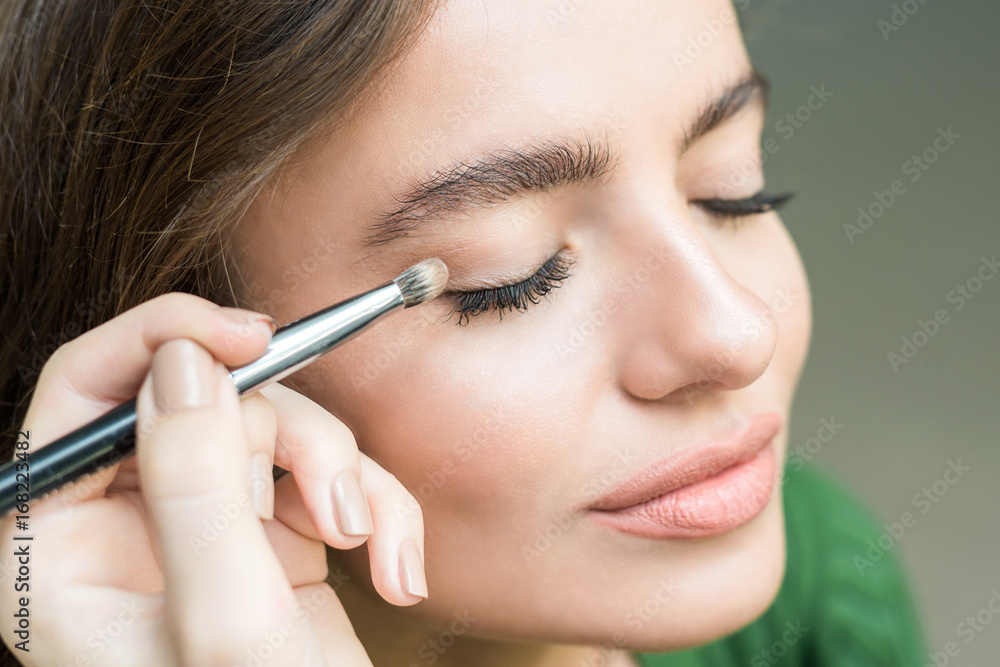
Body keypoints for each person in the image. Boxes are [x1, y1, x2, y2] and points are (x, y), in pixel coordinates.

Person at [0, 0, 926, 665]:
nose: (737, 334)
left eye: (732, 189)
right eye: (510, 279)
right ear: (200, 386)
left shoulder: (820, 588)